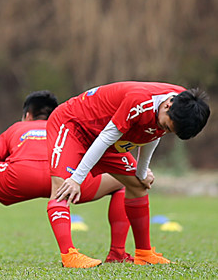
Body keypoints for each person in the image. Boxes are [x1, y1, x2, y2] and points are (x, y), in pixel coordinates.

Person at [0, 91, 134, 265]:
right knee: (122, 183)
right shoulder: (69, 128)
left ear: (28, 115)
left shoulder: (17, 128)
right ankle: (117, 253)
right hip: (67, 181)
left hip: (20, 178)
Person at [47, 82, 210, 268]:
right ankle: (69, 256)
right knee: (62, 188)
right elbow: (106, 137)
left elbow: (153, 132)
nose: (165, 131)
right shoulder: (140, 101)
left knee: (138, 185)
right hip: (74, 127)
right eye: (167, 126)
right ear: (167, 106)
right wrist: (76, 179)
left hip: (107, 136)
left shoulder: (183, 105)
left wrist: (141, 172)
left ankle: (142, 253)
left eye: (170, 131)